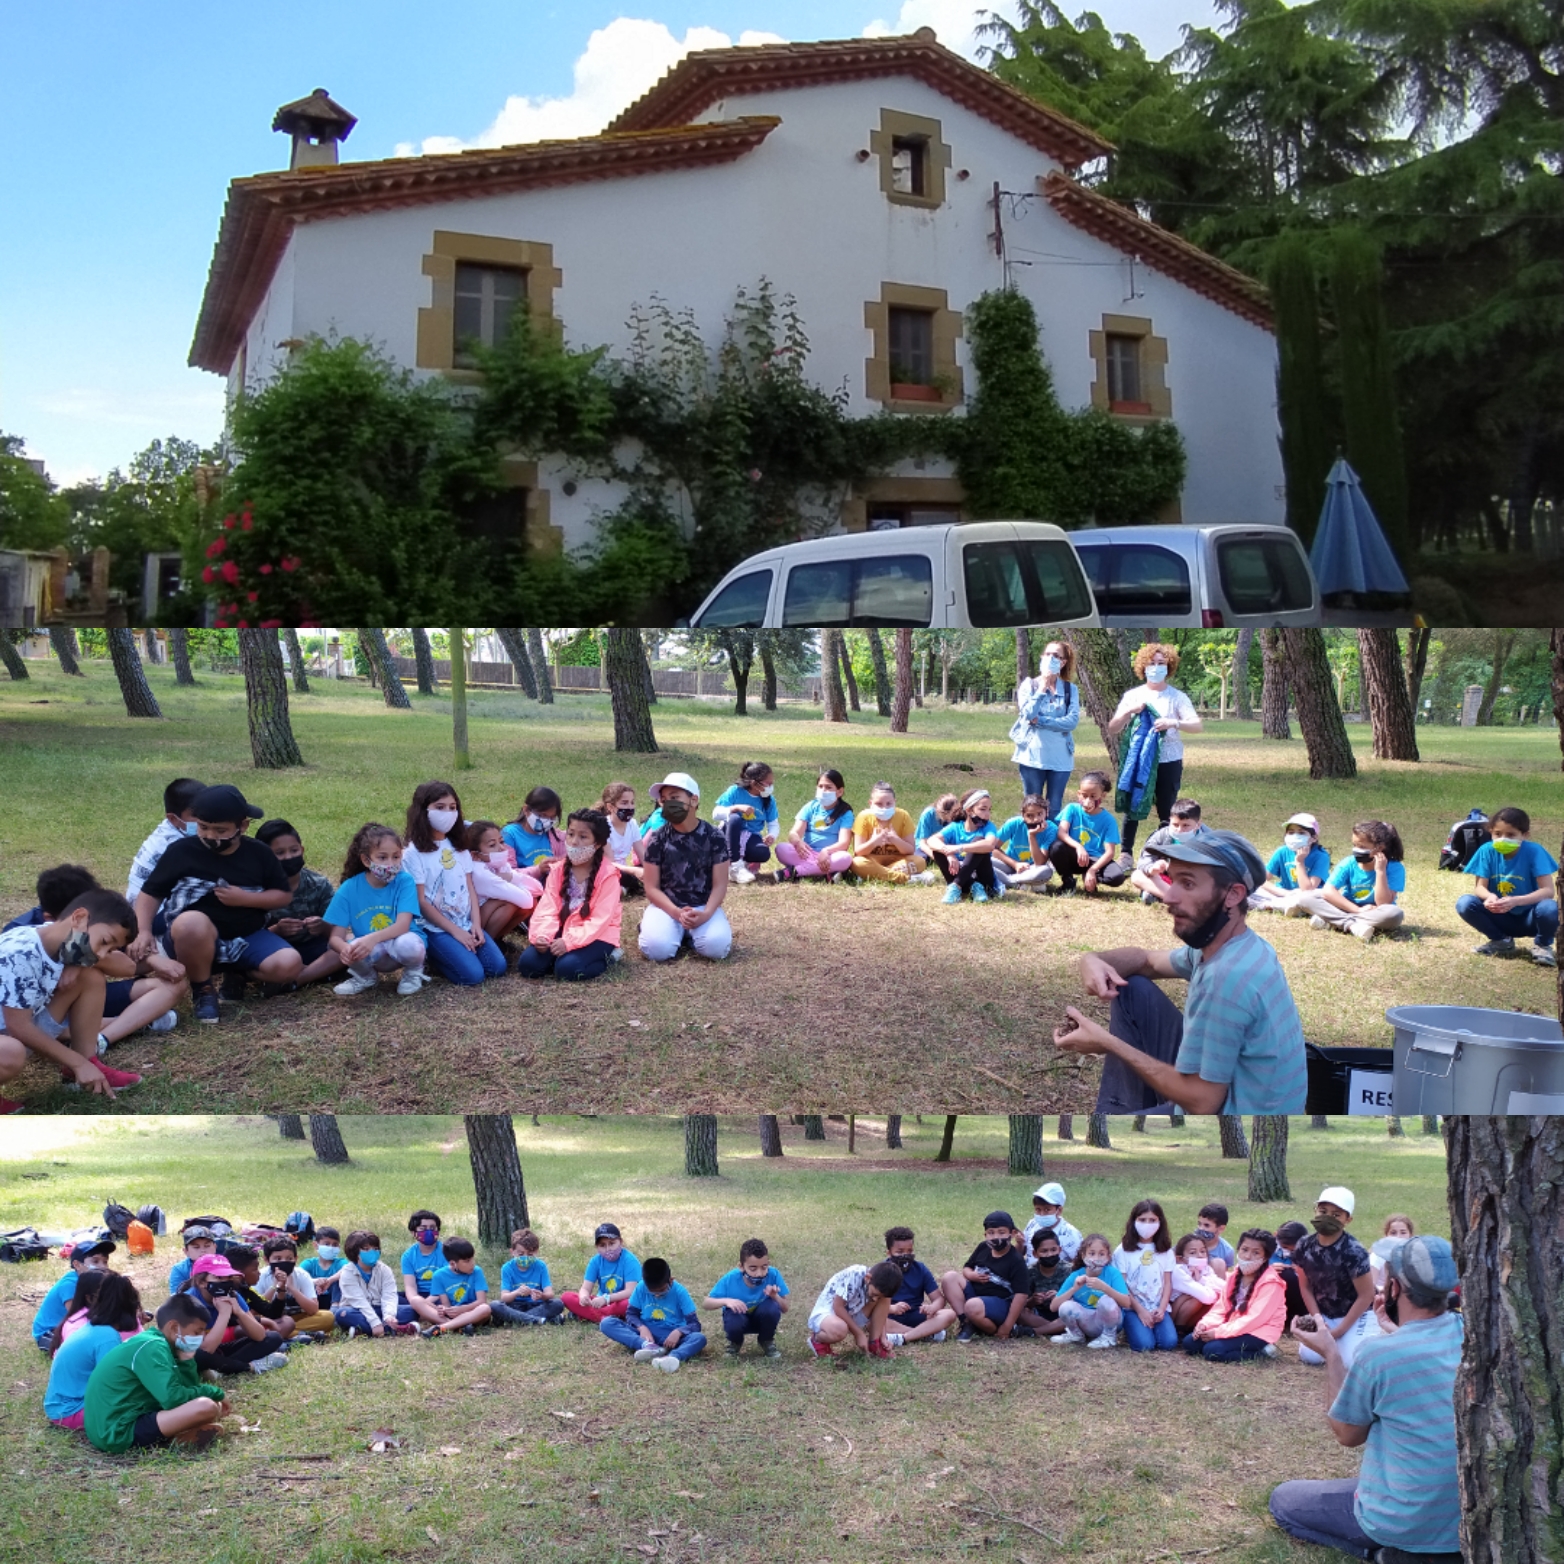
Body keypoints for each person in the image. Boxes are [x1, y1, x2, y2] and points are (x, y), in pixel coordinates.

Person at [1054, 829, 1308, 1117]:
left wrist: (1106, 1043)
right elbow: (1147, 961)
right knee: (1133, 990)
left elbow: (1202, 1104)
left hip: (1237, 1130)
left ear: (1233, 895)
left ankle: (1116, 1127)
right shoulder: (1235, 945)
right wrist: (1092, 959)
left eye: (1187, 884)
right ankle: (1123, 1114)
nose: (1169, 897)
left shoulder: (1226, 978)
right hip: (1233, 1089)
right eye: (1172, 880)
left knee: (1095, 1137)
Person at [1269, 1236, 1462, 1562]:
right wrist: (1397, 1331)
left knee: (1283, 1500)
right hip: (1459, 1519)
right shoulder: (1469, 1333)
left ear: (1395, 1288)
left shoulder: (1379, 1354)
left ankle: (1386, 1554)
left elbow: (1347, 1434)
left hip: (1400, 1520)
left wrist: (1331, 1354)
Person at [129, 783, 299, 1024]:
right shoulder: (181, 851)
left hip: (247, 934)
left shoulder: (259, 853)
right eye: (203, 827)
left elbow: (282, 895)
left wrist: (246, 899)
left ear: (242, 826)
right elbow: (150, 893)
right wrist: (143, 930)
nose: (210, 836)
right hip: (192, 936)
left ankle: (239, 972)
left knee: (289, 964)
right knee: (191, 922)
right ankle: (203, 990)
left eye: (220, 830)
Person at [3, 864, 187, 1048]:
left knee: (170, 986)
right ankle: (131, 1024)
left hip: (87, 996)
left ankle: (102, 1039)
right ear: (54, 918)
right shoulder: (24, 937)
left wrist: (77, 962)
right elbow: (19, 1021)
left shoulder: (101, 925)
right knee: (88, 981)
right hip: (46, 1007)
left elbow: (128, 966)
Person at [0, 887, 143, 1112]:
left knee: (91, 978)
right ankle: (80, 1064)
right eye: (105, 941)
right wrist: (77, 1063)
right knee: (11, 1052)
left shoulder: (57, 938)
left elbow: (127, 967)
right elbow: (18, 1026)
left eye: (111, 949)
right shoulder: (19, 953)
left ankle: (85, 1062)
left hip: (12, 1030)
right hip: (13, 1032)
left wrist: (79, 963)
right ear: (79, 918)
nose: (102, 954)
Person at [83, 1294, 227, 1455]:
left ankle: (178, 1436)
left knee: (209, 1406)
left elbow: (186, 1390)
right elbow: (174, 1399)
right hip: (117, 1431)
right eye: (196, 1332)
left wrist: (186, 1360)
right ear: (174, 1327)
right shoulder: (152, 1347)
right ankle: (171, 1440)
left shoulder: (161, 1344)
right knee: (206, 1407)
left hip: (126, 1418)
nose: (201, 1338)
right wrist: (214, 1392)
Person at [403, 781, 507, 984]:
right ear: (422, 810)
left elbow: (469, 888)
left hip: (464, 921)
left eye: (452, 807)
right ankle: (432, 956)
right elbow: (421, 902)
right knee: (473, 976)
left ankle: (453, 952)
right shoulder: (413, 853)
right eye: (440, 807)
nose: (448, 813)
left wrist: (476, 924)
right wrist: (455, 932)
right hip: (434, 927)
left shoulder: (459, 846)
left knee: (497, 967)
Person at [1107, 642, 1201, 856]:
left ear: (1169, 666)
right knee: (1133, 805)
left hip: (1168, 760)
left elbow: (1197, 726)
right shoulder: (1133, 695)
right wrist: (1129, 711)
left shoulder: (1177, 697)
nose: (1156, 667)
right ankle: (1126, 853)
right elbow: (1113, 728)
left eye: (1161, 663)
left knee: (1167, 809)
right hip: (1138, 761)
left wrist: (1173, 723)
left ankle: (1165, 852)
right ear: (1143, 666)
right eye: (1152, 663)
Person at [324, 823, 429, 998]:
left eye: (396, 857)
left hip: (401, 943)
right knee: (354, 947)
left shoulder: (405, 881)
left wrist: (371, 939)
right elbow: (335, 937)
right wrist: (345, 950)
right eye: (382, 857)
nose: (391, 864)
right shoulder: (349, 888)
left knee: (408, 944)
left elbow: (403, 925)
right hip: (372, 951)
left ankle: (413, 972)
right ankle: (365, 977)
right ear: (366, 860)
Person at [518, 808, 622, 981]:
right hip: (563, 928)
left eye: (583, 837)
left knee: (567, 969)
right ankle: (559, 958)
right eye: (571, 834)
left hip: (599, 933)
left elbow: (600, 919)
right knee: (528, 965)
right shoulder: (558, 870)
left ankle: (610, 957)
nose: (574, 842)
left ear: (597, 844)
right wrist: (543, 935)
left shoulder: (608, 876)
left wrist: (569, 942)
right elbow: (547, 907)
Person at [638, 774, 733, 962]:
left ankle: (689, 932)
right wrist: (676, 912)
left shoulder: (715, 837)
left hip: (703, 905)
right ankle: (664, 928)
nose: (668, 803)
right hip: (666, 906)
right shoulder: (658, 838)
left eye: (674, 797)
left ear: (693, 800)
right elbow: (651, 887)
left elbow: (720, 885)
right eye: (664, 800)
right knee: (656, 950)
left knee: (717, 948)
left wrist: (706, 914)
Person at [1456, 805, 1557, 968]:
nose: (1503, 839)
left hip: (1531, 917)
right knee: (1465, 903)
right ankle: (1501, 941)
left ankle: (1543, 945)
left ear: (1525, 835)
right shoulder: (1486, 851)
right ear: (1490, 832)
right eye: (1497, 834)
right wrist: (1489, 897)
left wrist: (1517, 900)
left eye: (1511, 835)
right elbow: (1480, 887)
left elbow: (1548, 891)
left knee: (1550, 908)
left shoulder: (1535, 852)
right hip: (1500, 915)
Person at [45, 1272, 143, 1430]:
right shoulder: (108, 1338)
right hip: (71, 1411)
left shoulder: (95, 1329)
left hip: (60, 1408)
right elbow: (114, 1384)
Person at [252, 818, 341, 991]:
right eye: (279, 853)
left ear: (302, 850)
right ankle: (318, 973)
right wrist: (277, 930)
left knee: (350, 945)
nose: (289, 857)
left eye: (294, 850)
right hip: (273, 952)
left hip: (313, 947)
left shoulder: (318, 884)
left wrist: (322, 926)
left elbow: (338, 930)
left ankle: (296, 980)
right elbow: (247, 938)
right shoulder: (255, 890)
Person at [1293, 1186, 1375, 1369]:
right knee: (1310, 1357)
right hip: (1325, 1314)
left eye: (1336, 1214)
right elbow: (1305, 1287)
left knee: (1352, 1362)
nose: (1328, 1218)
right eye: (1323, 1211)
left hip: (1358, 1313)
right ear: (1315, 1211)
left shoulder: (1354, 1251)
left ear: (1348, 1220)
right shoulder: (1304, 1245)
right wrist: (1318, 1321)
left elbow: (1366, 1295)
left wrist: (1338, 1331)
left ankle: (1361, 1338)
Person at [1291, 820, 1407, 943]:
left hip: (1374, 912)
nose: (1356, 850)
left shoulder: (1395, 868)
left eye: (1362, 847)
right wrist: (1357, 910)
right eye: (1354, 845)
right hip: (1346, 907)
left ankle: (1331, 921)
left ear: (1380, 848)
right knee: (1306, 897)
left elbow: (1383, 903)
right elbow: (1328, 891)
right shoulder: (1349, 862)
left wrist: (1380, 871)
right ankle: (1353, 925)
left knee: (1394, 914)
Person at [1182, 1228, 1286, 1361]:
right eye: (1244, 1250)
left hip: (1259, 1330)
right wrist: (1205, 1325)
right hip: (1233, 1324)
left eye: (1256, 1252)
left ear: (1265, 1257)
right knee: (1190, 1343)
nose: (1247, 1256)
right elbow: (1221, 1307)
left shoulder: (1272, 1283)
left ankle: (1265, 1351)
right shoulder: (1235, 1275)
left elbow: (1254, 1319)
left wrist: (1218, 1333)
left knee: (1213, 1351)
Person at [177, 1253, 289, 1375]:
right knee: (199, 1356)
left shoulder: (232, 1295)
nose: (225, 1282)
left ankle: (220, 1368)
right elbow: (205, 1349)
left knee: (273, 1338)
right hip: (191, 1352)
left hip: (216, 1349)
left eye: (229, 1277)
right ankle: (247, 1367)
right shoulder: (188, 1303)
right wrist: (224, 1314)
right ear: (201, 1282)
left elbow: (260, 1336)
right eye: (219, 1278)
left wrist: (239, 1312)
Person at [1010, 639, 1080, 820]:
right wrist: (1042, 689)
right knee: (1032, 807)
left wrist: (1041, 721)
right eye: (1047, 654)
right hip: (1032, 757)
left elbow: (1071, 722)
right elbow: (1027, 714)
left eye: (1056, 656)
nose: (1050, 658)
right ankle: (1032, 837)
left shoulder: (1070, 689)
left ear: (1063, 662)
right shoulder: (1029, 685)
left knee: (1054, 808)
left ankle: (1051, 838)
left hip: (1060, 758)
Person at [940, 1210, 1033, 1342]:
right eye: (991, 1233)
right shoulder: (983, 1247)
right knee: (950, 1277)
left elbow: (1021, 1295)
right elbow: (967, 1268)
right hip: (976, 1296)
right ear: (985, 1235)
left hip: (1001, 1303)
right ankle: (967, 1323)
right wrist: (972, 1275)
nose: (996, 1237)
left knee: (972, 1305)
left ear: (1012, 1233)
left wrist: (1007, 1326)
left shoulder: (1016, 1260)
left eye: (1001, 1232)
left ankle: (995, 1330)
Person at [604, 1256, 707, 1373]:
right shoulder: (641, 1287)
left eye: (662, 1290)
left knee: (699, 1338)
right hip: (647, 1333)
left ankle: (672, 1357)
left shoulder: (680, 1292)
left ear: (671, 1280)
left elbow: (695, 1324)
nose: (657, 1295)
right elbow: (631, 1314)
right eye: (652, 1292)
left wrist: (679, 1332)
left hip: (671, 1336)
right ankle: (647, 1346)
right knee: (607, 1323)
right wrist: (642, 1328)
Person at [705, 1237, 791, 1358]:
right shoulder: (730, 1279)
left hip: (762, 1319)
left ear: (768, 1264)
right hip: (738, 1319)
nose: (759, 1273)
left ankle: (766, 1340)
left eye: (764, 1267)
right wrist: (727, 1301)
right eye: (753, 1268)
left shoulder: (773, 1274)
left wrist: (775, 1296)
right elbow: (706, 1303)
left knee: (771, 1307)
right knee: (733, 1315)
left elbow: (785, 1308)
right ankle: (735, 1343)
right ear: (741, 1266)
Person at [124, 777, 206, 903]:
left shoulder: (177, 826)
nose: (205, 818)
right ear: (173, 818)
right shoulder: (173, 844)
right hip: (151, 905)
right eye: (196, 815)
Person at [32, 1236, 117, 1352]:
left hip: (74, 1326)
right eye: (95, 1261)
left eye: (105, 1262)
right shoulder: (70, 1285)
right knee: (81, 1348)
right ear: (77, 1264)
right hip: (50, 1332)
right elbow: (77, 1316)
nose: (102, 1266)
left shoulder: (96, 1282)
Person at [1114, 1199, 1178, 1352]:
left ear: (1160, 1222)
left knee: (1169, 1343)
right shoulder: (1122, 1251)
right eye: (1142, 1220)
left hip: (1157, 1306)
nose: (1147, 1224)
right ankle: (1130, 1329)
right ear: (1133, 1221)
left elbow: (1167, 1283)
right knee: (1144, 1345)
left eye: (1152, 1220)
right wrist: (1140, 1311)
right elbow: (1122, 1285)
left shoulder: (1166, 1251)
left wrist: (1161, 1309)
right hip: (1132, 1307)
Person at [807, 1260, 903, 1359]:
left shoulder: (875, 1284)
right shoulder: (854, 1275)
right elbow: (838, 1307)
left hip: (852, 1312)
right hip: (828, 1314)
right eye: (874, 1294)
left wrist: (883, 1337)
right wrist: (858, 1334)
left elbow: (881, 1313)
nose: (875, 1300)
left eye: (878, 1297)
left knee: (885, 1298)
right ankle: (817, 1340)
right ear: (867, 1278)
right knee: (839, 1328)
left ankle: (875, 1343)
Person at [1050, 772, 1128, 894]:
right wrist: (1078, 847)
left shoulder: (1108, 820)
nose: (1088, 800)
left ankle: (1090, 877)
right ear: (1078, 794)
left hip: (1095, 859)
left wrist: (1093, 870)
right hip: (1074, 857)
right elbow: (1061, 832)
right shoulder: (1072, 809)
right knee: (1056, 847)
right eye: (1084, 795)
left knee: (1117, 877)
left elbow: (1110, 852)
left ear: (1103, 795)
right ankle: (1068, 881)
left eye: (1093, 796)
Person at [879, 1228, 957, 1346]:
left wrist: (932, 1308)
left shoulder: (920, 1269)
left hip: (916, 1314)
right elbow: (872, 1303)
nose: (905, 1255)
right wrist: (892, 1308)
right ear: (889, 1253)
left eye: (909, 1251)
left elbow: (939, 1299)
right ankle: (925, 1334)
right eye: (899, 1252)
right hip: (891, 1316)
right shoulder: (881, 1271)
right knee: (872, 1321)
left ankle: (903, 1338)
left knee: (949, 1314)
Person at [1052, 1233, 1131, 1348]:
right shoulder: (1076, 1275)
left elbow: (1127, 1303)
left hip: (1110, 1322)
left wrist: (1104, 1288)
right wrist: (1074, 1289)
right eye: (1092, 1253)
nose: (1096, 1258)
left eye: (1101, 1254)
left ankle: (1108, 1337)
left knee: (1107, 1300)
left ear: (1108, 1257)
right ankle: (1076, 1335)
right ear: (1083, 1255)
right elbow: (1054, 1306)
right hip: (1086, 1321)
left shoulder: (1113, 1273)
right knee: (1066, 1306)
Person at [333, 1230, 415, 1338]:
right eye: (366, 1249)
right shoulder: (347, 1272)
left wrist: (389, 1316)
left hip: (380, 1308)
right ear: (355, 1252)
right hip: (357, 1310)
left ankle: (363, 1331)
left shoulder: (384, 1270)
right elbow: (358, 1301)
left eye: (375, 1249)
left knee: (412, 1311)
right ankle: (394, 1329)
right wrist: (374, 1322)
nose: (372, 1252)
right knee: (342, 1314)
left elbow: (389, 1294)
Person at [777, 770, 855, 882]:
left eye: (828, 787)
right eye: (820, 786)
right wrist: (798, 842)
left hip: (830, 855)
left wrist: (826, 851)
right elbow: (793, 833)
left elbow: (844, 843)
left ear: (840, 791)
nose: (823, 790)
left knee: (845, 858)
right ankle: (825, 873)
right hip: (806, 854)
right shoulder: (810, 807)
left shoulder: (845, 813)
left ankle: (794, 872)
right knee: (781, 849)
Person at [466, 819, 537, 944]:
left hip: (486, 914)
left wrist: (510, 877)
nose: (501, 848)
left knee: (524, 902)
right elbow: (526, 900)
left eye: (501, 841)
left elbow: (537, 889)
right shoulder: (479, 873)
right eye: (492, 845)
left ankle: (498, 940)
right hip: (470, 923)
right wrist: (514, 881)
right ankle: (486, 944)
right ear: (475, 855)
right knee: (509, 903)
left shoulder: (499, 864)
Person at [929, 788, 1003, 904]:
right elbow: (932, 840)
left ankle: (956, 887)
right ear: (969, 810)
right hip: (963, 877)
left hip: (984, 880)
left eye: (989, 810)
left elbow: (989, 845)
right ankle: (971, 886)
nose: (987, 815)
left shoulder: (988, 827)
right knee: (937, 850)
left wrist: (959, 848)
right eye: (983, 809)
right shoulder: (955, 827)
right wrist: (948, 853)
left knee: (979, 841)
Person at [712, 762, 780, 885]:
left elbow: (773, 823)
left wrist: (772, 835)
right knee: (734, 819)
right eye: (768, 784)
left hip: (751, 835)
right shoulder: (735, 791)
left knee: (763, 853)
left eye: (772, 783)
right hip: (729, 832)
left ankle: (741, 863)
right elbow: (715, 813)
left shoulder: (769, 800)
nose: (771, 787)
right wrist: (736, 808)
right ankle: (735, 865)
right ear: (754, 783)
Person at [1129, 799, 1207, 906]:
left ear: (1198, 824)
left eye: (1185, 825)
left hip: (1193, 882)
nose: (1179, 830)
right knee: (1137, 875)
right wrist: (1151, 868)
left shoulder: (1208, 840)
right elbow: (1145, 858)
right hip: (1167, 880)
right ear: (1170, 820)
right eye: (1175, 824)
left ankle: (1162, 895)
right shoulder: (1161, 835)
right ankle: (1181, 899)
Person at [1250, 812, 1332, 913]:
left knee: (1308, 899)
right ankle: (1280, 905)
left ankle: (1272, 905)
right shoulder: (1282, 851)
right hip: (1283, 895)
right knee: (1249, 889)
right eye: (1291, 832)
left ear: (1314, 838)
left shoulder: (1321, 856)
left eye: (1301, 833)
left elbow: (1307, 890)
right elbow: (1260, 880)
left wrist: (1299, 862)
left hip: (1309, 896)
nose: (1295, 836)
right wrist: (1283, 892)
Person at [255, 1236, 336, 1337]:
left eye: (289, 1258)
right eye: (278, 1258)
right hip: (271, 1319)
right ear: (267, 1260)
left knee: (328, 1317)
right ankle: (302, 1334)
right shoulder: (260, 1276)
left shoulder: (302, 1275)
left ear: (295, 1259)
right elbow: (255, 1310)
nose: (284, 1262)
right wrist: (274, 1286)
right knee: (255, 1321)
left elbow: (313, 1309)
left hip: (297, 1318)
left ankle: (282, 1333)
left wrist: (292, 1288)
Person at [562, 1223, 643, 1322]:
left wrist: (606, 1299)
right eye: (602, 1245)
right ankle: (607, 1317)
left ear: (621, 1242)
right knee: (566, 1297)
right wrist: (584, 1297)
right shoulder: (595, 1261)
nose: (608, 1249)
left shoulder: (630, 1261)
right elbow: (585, 1288)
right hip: (600, 1302)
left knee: (629, 1303)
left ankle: (592, 1315)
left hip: (620, 1301)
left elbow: (630, 1291)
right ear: (597, 1247)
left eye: (612, 1243)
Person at [850, 782, 927, 884]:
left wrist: (896, 840)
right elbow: (858, 852)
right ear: (870, 803)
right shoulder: (863, 817)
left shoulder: (903, 816)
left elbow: (910, 850)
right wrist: (874, 842)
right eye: (879, 804)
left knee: (920, 862)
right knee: (857, 863)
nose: (884, 808)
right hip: (872, 860)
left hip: (897, 861)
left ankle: (873, 874)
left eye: (889, 804)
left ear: (894, 802)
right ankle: (906, 879)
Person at [492, 1228, 564, 1326]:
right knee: (495, 1305)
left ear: (536, 1252)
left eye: (530, 1254)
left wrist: (542, 1296)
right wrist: (517, 1292)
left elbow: (550, 1294)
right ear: (512, 1252)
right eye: (521, 1254)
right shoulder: (507, 1268)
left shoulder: (541, 1266)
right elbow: (504, 1297)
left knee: (557, 1304)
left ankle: (517, 1319)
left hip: (536, 1305)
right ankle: (539, 1320)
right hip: (515, 1305)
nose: (525, 1257)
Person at [423, 1238, 493, 1336]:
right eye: (467, 1261)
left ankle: (443, 1328)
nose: (472, 1263)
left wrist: (463, 1309)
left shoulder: (477, 1271)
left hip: (473, 1313)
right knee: (417, 1301)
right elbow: (446, 1304)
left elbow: (481, 1301)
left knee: (485, 1308)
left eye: (472, 1258)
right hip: (453, 1315)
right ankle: (459, 1327)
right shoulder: (439, 1276)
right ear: (453, 1263)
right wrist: (443, 1309)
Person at [503, 787, 568, 888]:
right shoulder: (510, 835)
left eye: (552, 817)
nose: (547, 821)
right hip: (523, 890)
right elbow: (506, 875)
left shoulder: (556, 836)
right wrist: (537, 870)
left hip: (550, 890)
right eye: (542, 815)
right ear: (526, 810)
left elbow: (567, 860)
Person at [994, 795, 1058, 891]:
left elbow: (1040, 862)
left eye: (1040, 814)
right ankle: (1018, 882)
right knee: (984, 860)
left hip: (1032, 869)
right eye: (1030, 815)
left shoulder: (1051, 829)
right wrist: (1015, 864)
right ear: (1023, 815)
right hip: (1009, 864)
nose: (1036, 819)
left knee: (1046, 871)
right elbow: (992, 847)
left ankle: (1007, 880)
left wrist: (1031, 836)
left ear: (1047, 812)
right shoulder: (1014, 823)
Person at [398, 1210, 449, 1329]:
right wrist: (415, 1301)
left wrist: (425, 1303)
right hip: (420, 1295)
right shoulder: (408, 1256)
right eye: (423, 1228)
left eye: (433, 1228)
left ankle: (442, 1320)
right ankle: (428, 1312)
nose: (429, 1232)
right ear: (413, 1232)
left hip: (441, 1295)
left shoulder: (447, 1251)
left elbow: (446, 1285)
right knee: (391, 1298)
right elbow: (410, 1286)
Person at [1018, 1229, 1071, 1338]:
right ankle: (1056, 1329)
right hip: (1039, 1314)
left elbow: (1078, 1300)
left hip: (1062, 1313)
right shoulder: (1029, 1272)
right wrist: (1033, 1301)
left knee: (1073, 1316)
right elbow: (1023, 1303)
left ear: (1060, 1249)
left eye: (1053, 1250)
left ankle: (1035, 1331)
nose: (1049, 1254)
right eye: (1044, 1251)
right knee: (1020, 1313)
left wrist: (1059, 1298)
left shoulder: (1069, 1270)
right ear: (1035, 1253)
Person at [1169, 1233, 1222, 1337]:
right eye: (1193, 1252)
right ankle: (1179, 1329)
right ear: (1180, 1259)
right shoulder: (1178, 1271)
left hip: (1193, 1312)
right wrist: (1209, 1287)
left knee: (1214, 1300)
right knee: (1196, 1299)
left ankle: (1194, 1328)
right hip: (1173, 1311)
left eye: (1203, 1251)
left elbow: (1224, 1288)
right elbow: (1207, 1297)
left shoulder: (1205, 1269)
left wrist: (1201, 1279)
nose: (1200, 1255)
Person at [600, 781, 647, 897]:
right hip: (608, 871)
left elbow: (643, 854)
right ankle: (619, 890)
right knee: (627, 877)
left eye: (632, 802)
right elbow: (610, 864)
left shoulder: (632, 824)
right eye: (624, 803)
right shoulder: (603, 827)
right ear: (610, 807)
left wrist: (652, 871)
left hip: (625, 871)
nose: (630, 807)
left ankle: (624, 889)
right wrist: (634, 872)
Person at [1022, 1182, 1083, 1268]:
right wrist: (1020, 1243)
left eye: (1047, 1210)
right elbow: (1022, 1250)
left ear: (1059, 1210)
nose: (1042, 1214)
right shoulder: (1032, 1224)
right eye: (1038, 1209)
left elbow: (1078, 1261)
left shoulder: (1069, 1233)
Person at [915, 794, 962, 883]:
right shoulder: (928, 814)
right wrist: (938, 858)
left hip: (948, 846)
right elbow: (923, 843)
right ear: (940, 812)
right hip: (927, 848)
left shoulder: (959, 815)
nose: (953, 818)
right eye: (950, 816)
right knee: (919, 861)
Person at [300, 1227, 347, 1310]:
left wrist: (330, 1280)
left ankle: (335, 1308)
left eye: (335, 1245)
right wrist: (315, 1281)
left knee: (340, 1278)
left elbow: (348, 1269)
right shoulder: (309, 1263)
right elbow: (297, 1276)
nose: (331, 1247)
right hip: (314, 1299)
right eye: (327, 1244)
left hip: (335, 1301)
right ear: (316, 1245)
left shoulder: (340, 1262)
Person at [1195, 1204, 1236, 1272]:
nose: (1201, 1228)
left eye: (1206, 1225)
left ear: (1221, 1228)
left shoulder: (1227, 1251)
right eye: (1199, 1224)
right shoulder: (1188, 1243)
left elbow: (1223, 1274)